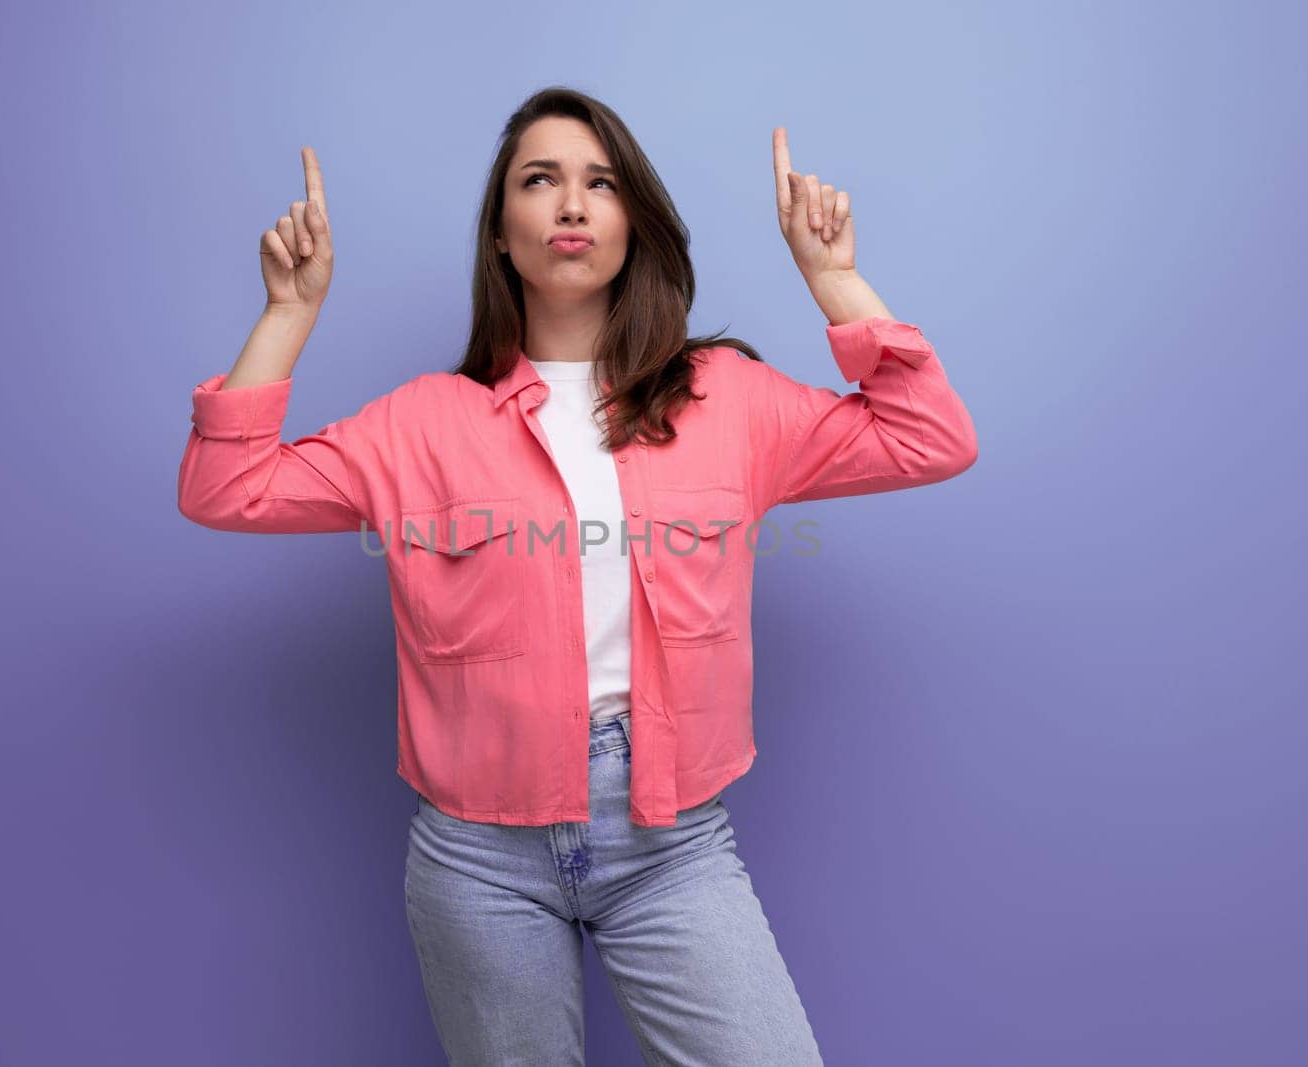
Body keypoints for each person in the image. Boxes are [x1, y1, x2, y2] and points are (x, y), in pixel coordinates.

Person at [178, 85, 977, 1066]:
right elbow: (225, 486)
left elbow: (929, 436)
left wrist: (834, 278)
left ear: (632, 226)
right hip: (478, 857)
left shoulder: (724, 397)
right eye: (540, 179)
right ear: (502, 234)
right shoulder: (424, 421)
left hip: (672, 844)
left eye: (600, 183)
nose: (570, 202)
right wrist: (288, 314)